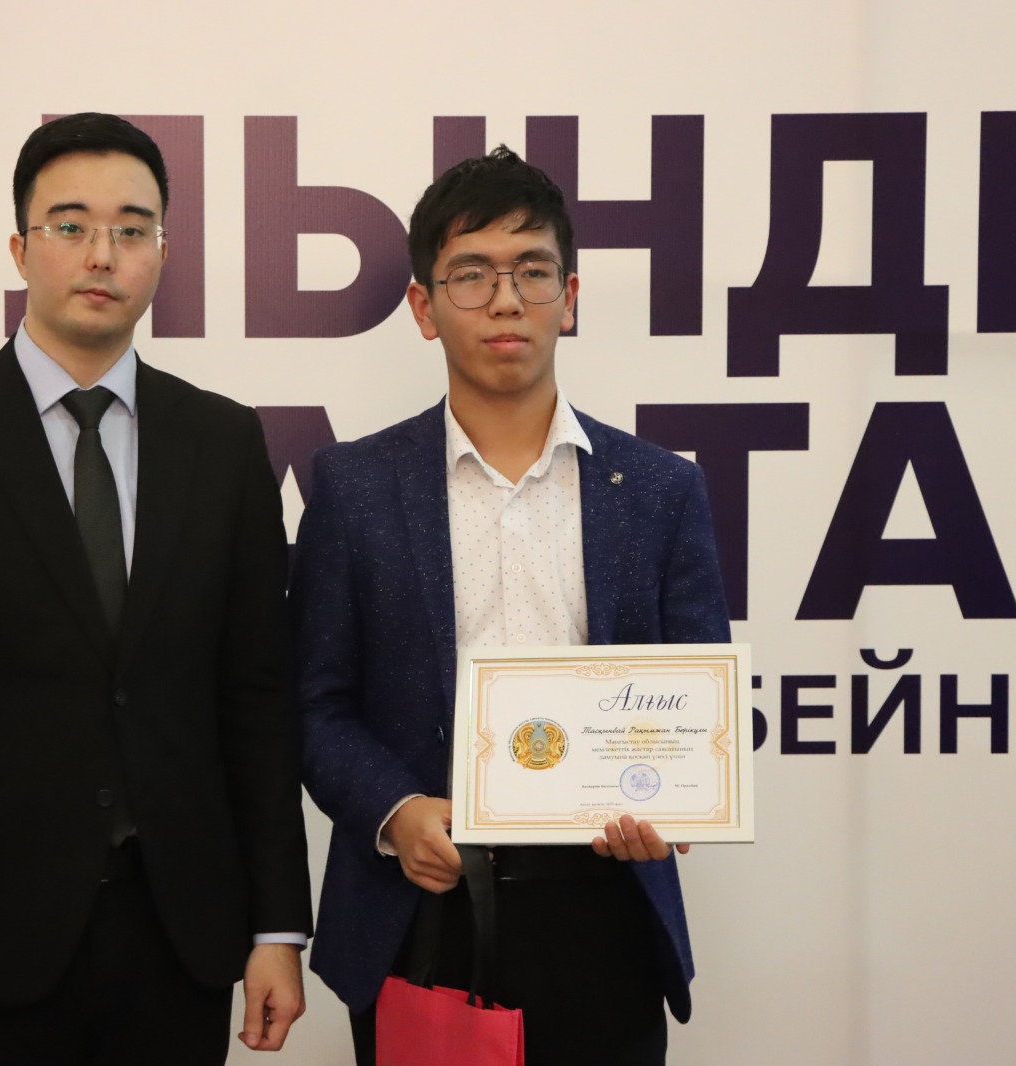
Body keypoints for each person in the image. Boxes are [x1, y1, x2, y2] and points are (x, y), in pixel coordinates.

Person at [0, 113, 312, 1066]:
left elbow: (255, 698)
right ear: (20, 249)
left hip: (177, 940)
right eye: (71, 225)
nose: (101, 254)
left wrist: (277, 925)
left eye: (132, 228)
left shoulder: (223, 442)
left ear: (162, 253)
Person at [290, 146, 730, 1065]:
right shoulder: (355, 487)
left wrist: (677, 800)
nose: (505, 300)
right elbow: (313, 704)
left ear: (569, 298)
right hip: (425, 908)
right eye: (472, 274)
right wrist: (394, 809)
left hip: (607, 910)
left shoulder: (659, 490)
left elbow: (701, 698)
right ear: (423, 307)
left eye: (532, 272)